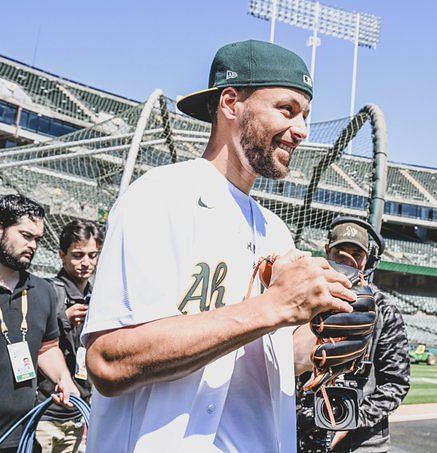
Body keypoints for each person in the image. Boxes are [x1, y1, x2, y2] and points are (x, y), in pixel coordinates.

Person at [81, 40, 358, 453]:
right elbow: (108, 362)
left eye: (305, 115)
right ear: (231, 102)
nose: (301, 130)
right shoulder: (160, 196)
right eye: (287, 109)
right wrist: (273, 306)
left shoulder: (276, 231)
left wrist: (321, 344)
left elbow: (272, 363)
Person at [297, 218, 411, 452]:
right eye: (340, 252)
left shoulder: (384, 310)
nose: (347, 261)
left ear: (366, 260)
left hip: (362, 442)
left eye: (356, 254)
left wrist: (350, 421)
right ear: (328, 252)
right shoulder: (302, 301)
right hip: (302, 434)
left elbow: (396, 383)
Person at [0, 195, 79, 452]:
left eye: (38, 239)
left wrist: (63, 378)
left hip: (25, 439)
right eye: (25, 235)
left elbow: (47, 347)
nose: (33, 245)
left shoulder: (42, 290)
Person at [36, 220, 104, 453]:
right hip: (46, 410)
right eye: (78, 255)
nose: (86, 263)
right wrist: (62, 319)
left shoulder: (98, 297)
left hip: (80, 409)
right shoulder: (47, 291)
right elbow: (32, 342)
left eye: (92, 255)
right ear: (62, 255)